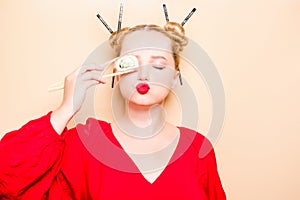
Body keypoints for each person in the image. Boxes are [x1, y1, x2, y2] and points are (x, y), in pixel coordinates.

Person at [0, 9, 226, 200]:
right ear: (117, 76)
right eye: (131, 64)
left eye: (158, 65)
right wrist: (65, 109)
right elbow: (6, 180)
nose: (143, 74)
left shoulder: (198, 148)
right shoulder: (84, 143)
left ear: (175, 79)